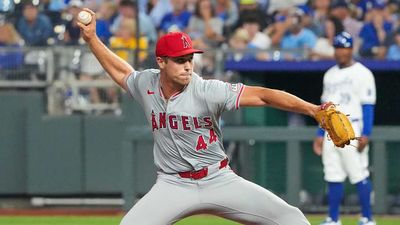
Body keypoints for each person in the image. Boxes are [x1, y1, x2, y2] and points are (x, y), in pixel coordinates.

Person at [78, 8, 321, 225]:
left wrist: (313, 110)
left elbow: (264, 96)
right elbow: (122, 72)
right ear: (161, 62)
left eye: (190, 58)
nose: (187, 66)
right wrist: (92, 39)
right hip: (173, 184)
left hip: (218, 178)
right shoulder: (147, 83)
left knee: (291, 218)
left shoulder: (207, 90)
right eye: (180, 60)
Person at [313, 32, 377, 225]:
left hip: (352, 127)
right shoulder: (330, 74)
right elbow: (323, 108)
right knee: (332, 173)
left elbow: (368, 105)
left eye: (344, 47)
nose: (340, 51)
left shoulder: (363, 73)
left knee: (359, 172)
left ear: (351, 49)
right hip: (329, 129)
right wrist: (319, 133)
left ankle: (367, 217)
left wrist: (366, 134)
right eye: (338, 47)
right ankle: (333, 218)